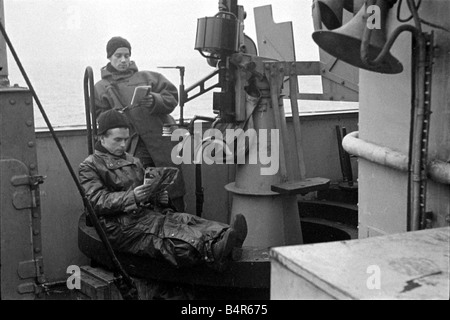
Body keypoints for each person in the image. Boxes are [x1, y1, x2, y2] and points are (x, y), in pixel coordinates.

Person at [78, 109, 247, 270]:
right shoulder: (90, 165)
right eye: (117, 140)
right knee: (168, 235)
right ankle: (213, 252)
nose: (123, 145)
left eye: (126, 139)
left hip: (145, 214)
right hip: (118, 225)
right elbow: (95, 202)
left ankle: (225, 235)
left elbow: (144, 189)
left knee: (185, 220)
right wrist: (132, 198)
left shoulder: (133, 160)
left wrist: (157, 196)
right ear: (101, 138)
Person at [94, 36, 186, 212]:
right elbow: (99, 118)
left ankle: (179, 223)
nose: (123, 60)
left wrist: (154, 100)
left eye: (127, 56)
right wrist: (116, 116)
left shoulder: (149, 77)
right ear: (109, 57)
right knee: (139, 190)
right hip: (130, 146)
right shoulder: (101, 87)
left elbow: (172, 97)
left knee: (170, 188)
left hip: (161, 144)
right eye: (118, 55)